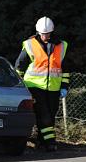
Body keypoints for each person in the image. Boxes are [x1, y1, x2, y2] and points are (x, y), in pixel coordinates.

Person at [15, 16, 69, 152]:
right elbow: (19, 66)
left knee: (50, 115)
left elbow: (66, 69)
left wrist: (64, 86)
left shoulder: (62, 45)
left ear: (52, 32)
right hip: (34, 85)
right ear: (38, 32)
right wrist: (19, 86)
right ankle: (50, 142)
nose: (46, 36)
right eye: (43, 34)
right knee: (44, 114)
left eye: (48, 33)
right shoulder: (29, 44)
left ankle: (40, 140)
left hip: (53, 87)